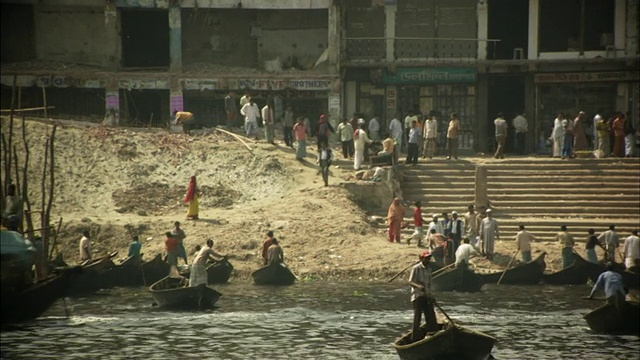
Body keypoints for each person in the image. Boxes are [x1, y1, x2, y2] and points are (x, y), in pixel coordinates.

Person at [408, 251, 439, 341]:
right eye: (426, 258)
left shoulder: (429, 270)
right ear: (421, 259)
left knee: (430, 316)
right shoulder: (416, 268)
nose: (428, 260)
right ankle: (414, 338)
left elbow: (429, 285)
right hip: (418, 296)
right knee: (417, 318)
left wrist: (431, 296)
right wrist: (418, 286)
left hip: (426, 296)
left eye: (429, 258)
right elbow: (410, 281)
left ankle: (431, 334)